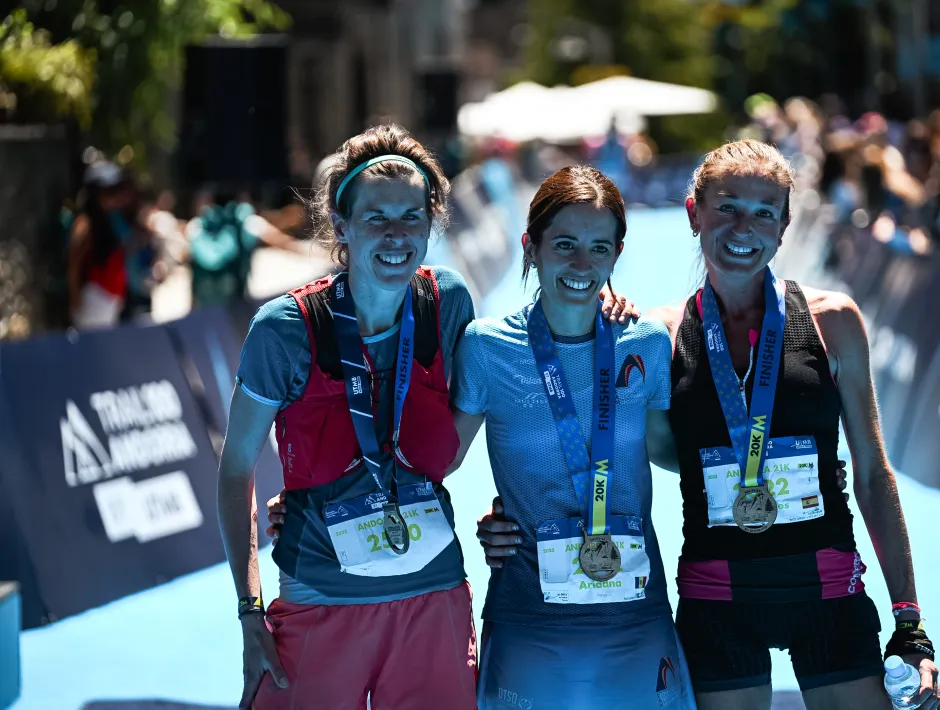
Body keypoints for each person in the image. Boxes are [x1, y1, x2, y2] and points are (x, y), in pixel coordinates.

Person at [479, 140, 940, 710]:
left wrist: (910, 620)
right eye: (727, 207)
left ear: (784, 225)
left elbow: (872, 473)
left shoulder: (834, 321)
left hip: (827, 586)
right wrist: (514, 513)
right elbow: (619, 450)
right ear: (694, 212)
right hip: (717, 596)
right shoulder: (654, 336)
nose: (743, 227)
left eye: (763, 211)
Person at [217, 124, 480, 710]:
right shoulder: (286, 329)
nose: (396, 235)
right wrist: (247, 610)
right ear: (341, 224)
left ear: (432, 220)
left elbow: (452, 447)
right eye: (376, 218)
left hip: (433, 600)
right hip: (320, 601)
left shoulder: (448, 304)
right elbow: (236, 469)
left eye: (412, 217)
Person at [451, 165, 695, 708]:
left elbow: (667, 451)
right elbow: (436, 462)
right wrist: (315, 492)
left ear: (616, 253)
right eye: (564, 244)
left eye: (598, 248)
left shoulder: (647, 343)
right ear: (530, 247)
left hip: (637, 614)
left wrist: (773, 462)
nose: (582, 265)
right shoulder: (487, 348)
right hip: (528, 617)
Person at [66, 161, 167, 329]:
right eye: (108, 191)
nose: (114, 196)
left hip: (110, 303)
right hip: (93, 303)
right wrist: (75, 298)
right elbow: (73, 265)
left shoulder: (111, 220)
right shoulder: (85, 224)